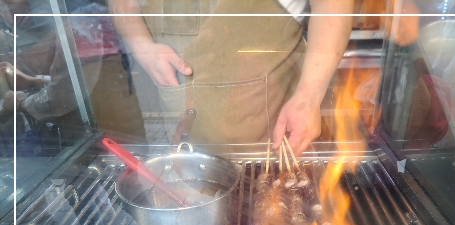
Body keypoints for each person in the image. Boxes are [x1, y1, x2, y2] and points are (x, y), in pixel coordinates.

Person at [109, 0, 354, 156]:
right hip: (180, 115)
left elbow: (333, 5)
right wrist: (142, 47)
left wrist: (308, 96)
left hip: (267, 126)